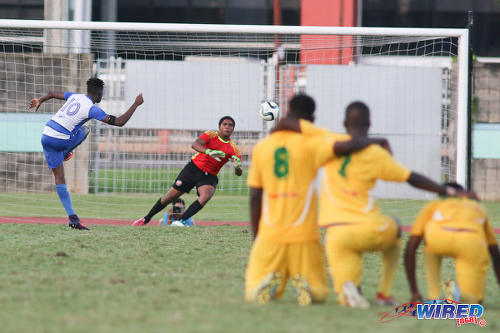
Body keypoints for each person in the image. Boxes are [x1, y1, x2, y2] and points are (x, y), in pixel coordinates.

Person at [315, 101, 472, 308]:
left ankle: (349, 290)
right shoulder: (374, 154)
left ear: (344, 122)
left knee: (346, 295)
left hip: (336, 235)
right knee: (396, 227)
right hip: (369, 229)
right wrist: (447, 190)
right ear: (369, 124)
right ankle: (384, 293)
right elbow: (411, 177)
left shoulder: (329, 144)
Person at [245, 94, 390, 306]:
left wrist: (257, 235)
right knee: (319, 292)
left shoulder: (262, 148)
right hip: (304, 235)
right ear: (311, 118)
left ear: (287, 111)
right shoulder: (312, 144)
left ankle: (266, 283)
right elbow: (346, 145)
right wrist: (377, 141)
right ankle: (306, 284)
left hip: (269, 234)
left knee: (253, 289)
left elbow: (255, 196)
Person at [29, 78, 144, 230]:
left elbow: (51, 93)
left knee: (59, 178)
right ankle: (65, 152)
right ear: (98, 93)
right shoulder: (92, 109)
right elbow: (119, 122)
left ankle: (73, 218)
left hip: (46, 136)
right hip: (60, 141)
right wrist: (136, 104)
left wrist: (39, 100)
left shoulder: (75, 96)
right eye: (102, 94)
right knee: (85, 130)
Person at [132, 116, 242, 227]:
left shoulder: (234, 148)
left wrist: (237, 168)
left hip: (209, 175)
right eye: (225, 124)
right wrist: (209, 151)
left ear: (233, 129)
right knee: (169, 197)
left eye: (230, 125)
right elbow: (195, 145)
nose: (227, 127)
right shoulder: (211, 134)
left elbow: (239, 173)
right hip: (193, 169)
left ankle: (180, 222)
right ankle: (145, 219)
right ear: (219, 126)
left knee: (205, 197)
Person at [404, 182, 500, 304]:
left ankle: (434, 296)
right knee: (473, 301)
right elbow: (495, 252)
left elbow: (411, 247)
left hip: (438, 240)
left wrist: (414, 291)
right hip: (471, 243)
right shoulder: (477, 207)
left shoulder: (434, 205)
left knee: (428, 244)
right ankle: (467, 297)